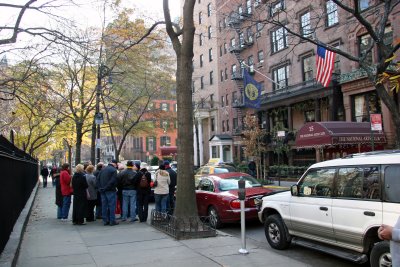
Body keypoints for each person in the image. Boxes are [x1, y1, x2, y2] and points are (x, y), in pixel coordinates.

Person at [97, 160, 119, 226]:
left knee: (104, 206)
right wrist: (106, 188)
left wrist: (100, 188)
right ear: (115, 164)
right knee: (112, 206)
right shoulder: (113, 170)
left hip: (102, 191)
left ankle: (105, 220)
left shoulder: (102, 169)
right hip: (110, 190)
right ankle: (112, 220)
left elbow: (97, 179)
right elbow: (112, 181)